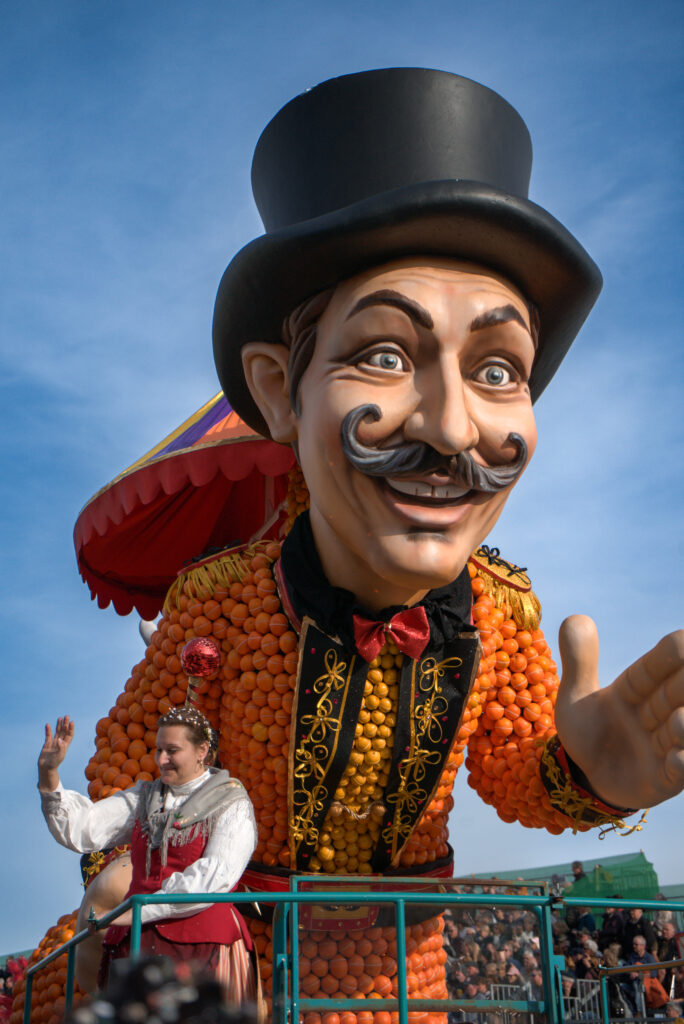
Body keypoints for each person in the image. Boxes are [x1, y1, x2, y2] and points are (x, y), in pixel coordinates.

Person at [208, 66, 684, 1007]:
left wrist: (592, 772)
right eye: (384, 354)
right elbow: (133, 788)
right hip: (247, 974)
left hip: (408, 981)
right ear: (278, 391)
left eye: (500, 368)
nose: (456, 430)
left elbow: (519, 774)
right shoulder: (217, 603)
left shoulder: (500, 613)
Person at [38, 710, 259, 1005]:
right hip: (136, 941)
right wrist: (49, 775)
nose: (162, 759)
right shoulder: (145, 797)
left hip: (202, 944)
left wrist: (138, 911)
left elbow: (214, 876)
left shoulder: (231, 802)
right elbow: (84, 829)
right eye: (159, 750)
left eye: (172, 751)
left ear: (202, 752)